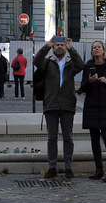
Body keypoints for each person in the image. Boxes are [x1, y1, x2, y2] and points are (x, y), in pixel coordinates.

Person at [33, 36, 85, 178]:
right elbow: (36, 61)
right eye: (57, 45)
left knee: (68, 137)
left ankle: (68, 167)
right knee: (52, 137)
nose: (60, 47)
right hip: (51, 104)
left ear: (66, 48)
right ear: (53, 48)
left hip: (67, 104)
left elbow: (80, 65)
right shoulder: (47, 63)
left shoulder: (70, 64)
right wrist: (47, 46)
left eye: (62, 45)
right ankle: (52, 166)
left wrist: (72, 48)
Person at [80, 41, 106, 182]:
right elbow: (82, 87)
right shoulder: (88, 66)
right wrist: (90, 81)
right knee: (94, 139)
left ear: (103, 50)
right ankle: (99, 170)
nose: (96, 49)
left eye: (99, 47)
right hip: (91, 106)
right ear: (92, 51)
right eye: (94, 47)